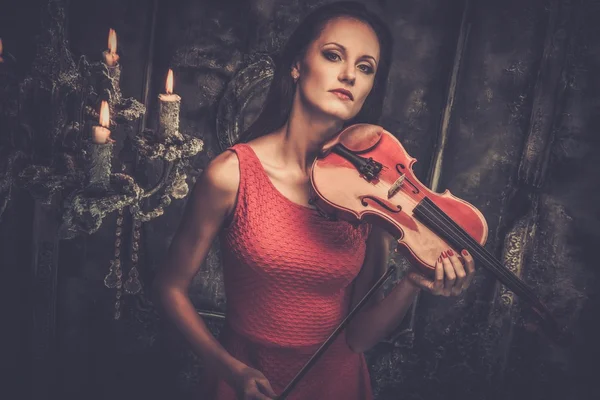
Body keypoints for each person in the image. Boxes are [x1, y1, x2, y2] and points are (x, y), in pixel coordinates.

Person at [153, 2, 476, 399]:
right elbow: (170, 287)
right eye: (333, 55)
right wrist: (232, 370)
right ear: (296, 65)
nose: (348, 75)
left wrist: (413, 283)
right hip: (244, 378)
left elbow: (359, 337)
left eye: (365, 67)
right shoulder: (231, 174)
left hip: (337, 384)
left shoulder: (370, 195)